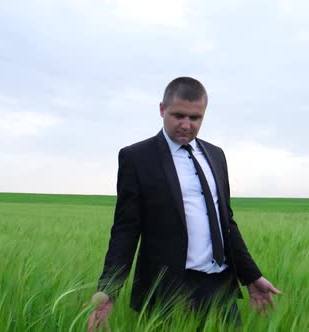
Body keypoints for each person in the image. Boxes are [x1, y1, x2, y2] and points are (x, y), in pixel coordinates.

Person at [88, 77, 281, 331]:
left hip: (220, 288)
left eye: (195, 118)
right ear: (161, 109)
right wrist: (109, 291)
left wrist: (251, 276)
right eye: (178, 115)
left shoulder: (216, 155)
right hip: (168, 292)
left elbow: (226, 223)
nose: (186, 125)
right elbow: (125, 229)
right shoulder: (136, 158)